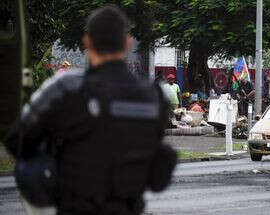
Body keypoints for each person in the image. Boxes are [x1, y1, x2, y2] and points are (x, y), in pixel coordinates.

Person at [5, 5, 176, 215]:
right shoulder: (155, 97)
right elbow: (157, 173)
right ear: (127, 43)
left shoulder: (66, 87)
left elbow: (16, 140)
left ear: (87, 42)